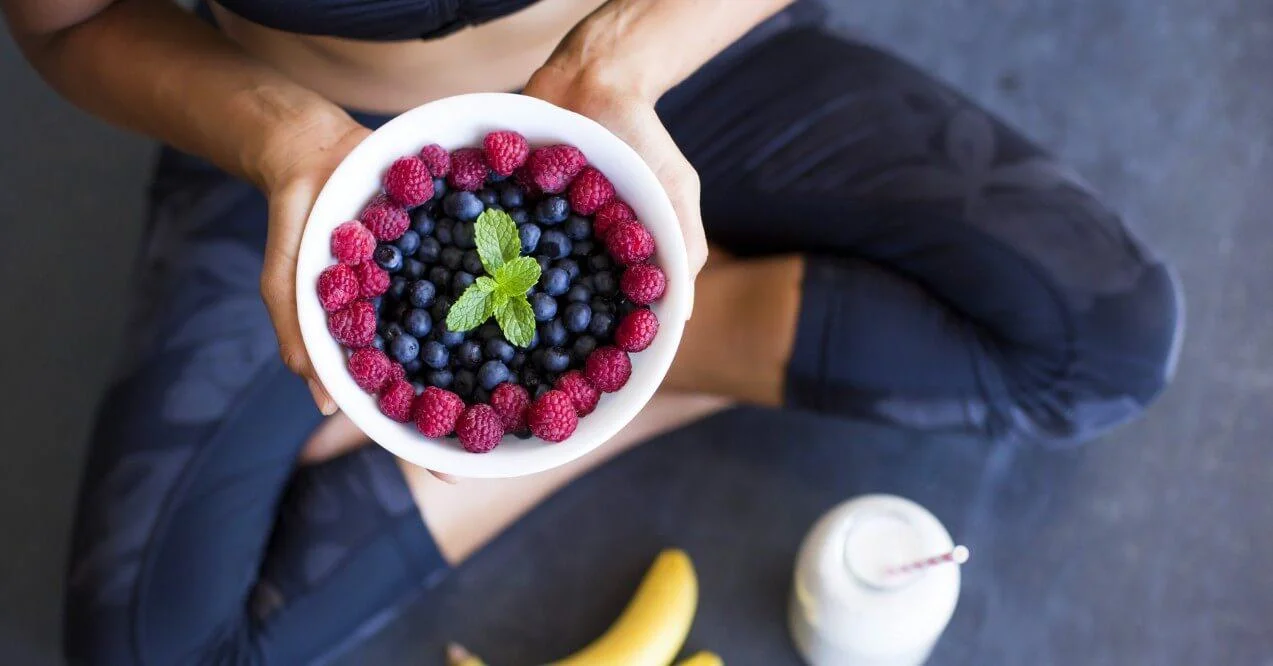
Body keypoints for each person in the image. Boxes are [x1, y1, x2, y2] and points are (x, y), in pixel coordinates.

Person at [4, 0, 1182, 663]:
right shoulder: (296, 142)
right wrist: (278, 134)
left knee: (1103, 342)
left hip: (665, 56)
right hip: (312, 146)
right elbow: (71, 20)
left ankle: (675, 333)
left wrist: (624, 55)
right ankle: (651, 345)